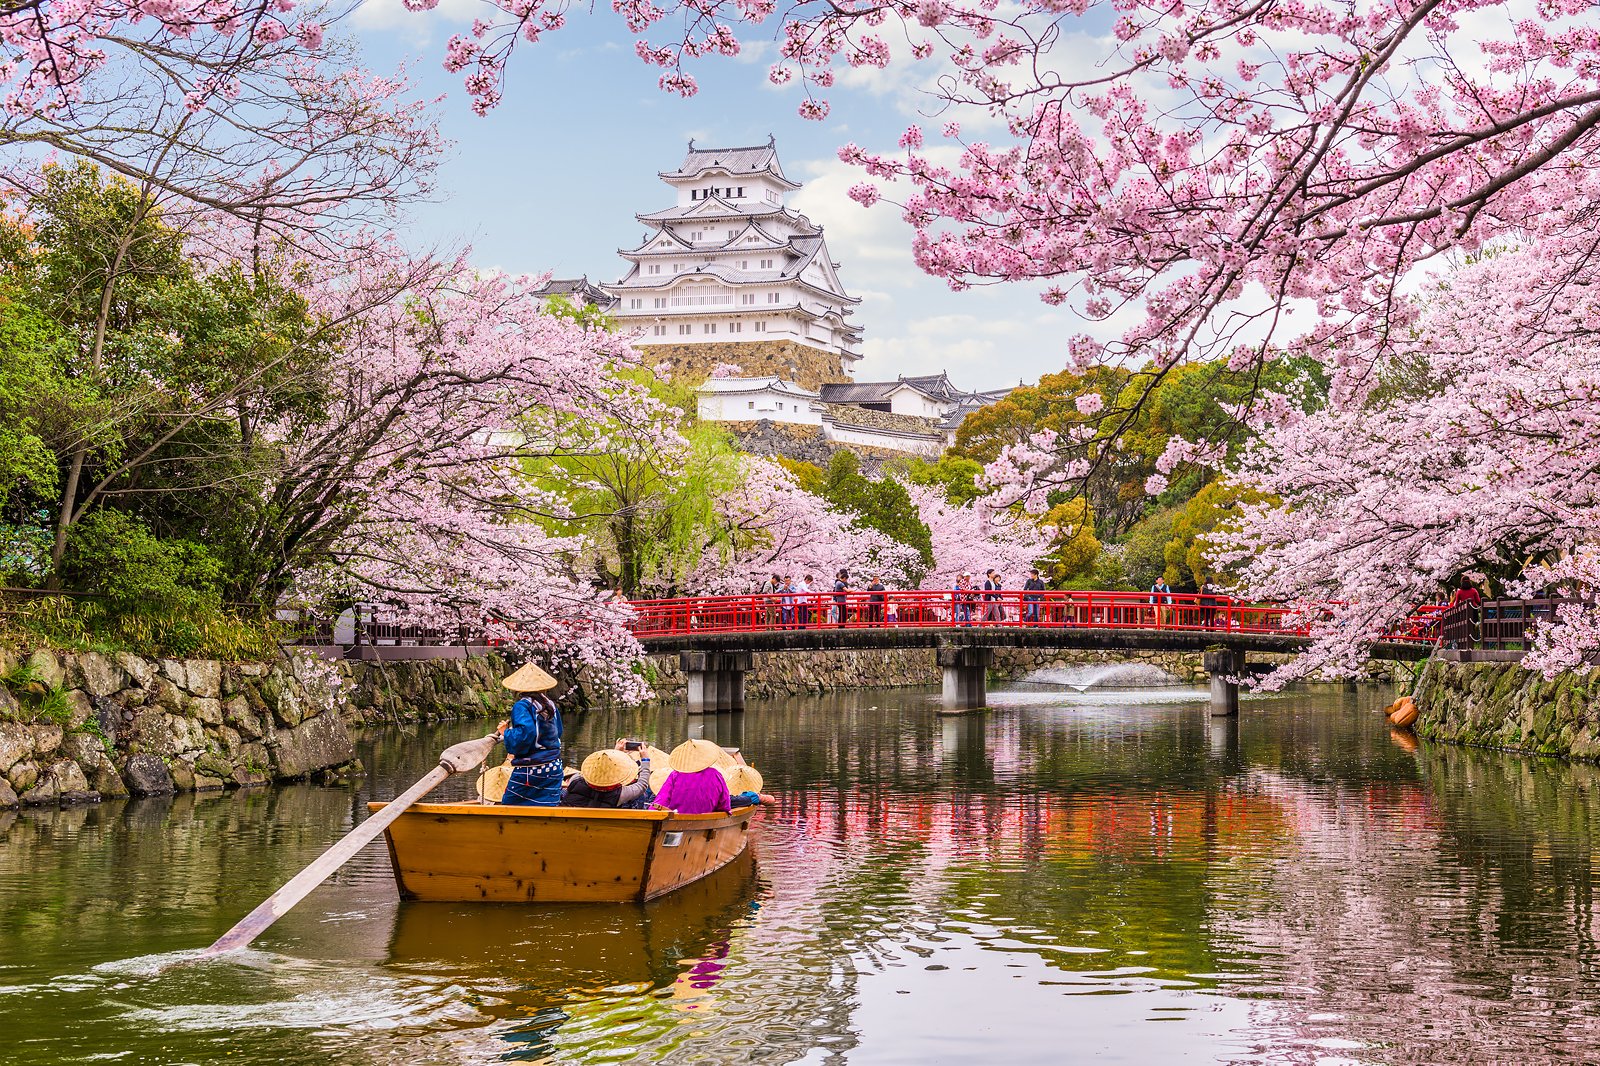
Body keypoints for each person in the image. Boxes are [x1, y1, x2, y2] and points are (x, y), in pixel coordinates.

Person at [495, 662, 564, 806]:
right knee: (548, 806)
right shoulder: (550, 704)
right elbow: (559, 732)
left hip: (531, 770)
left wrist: (505, 732)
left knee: (509, 805)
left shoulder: (522, 705)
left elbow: (524, 735)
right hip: (554, 766)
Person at [653, 739, 732, 815]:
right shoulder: (715, 774)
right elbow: (725, 805)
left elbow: (661, 801)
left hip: (677, 821)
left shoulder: (675, 775)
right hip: (707, 821)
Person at [562, 744, 653, 809]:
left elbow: (587, 774)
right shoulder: (620, 795)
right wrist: (645, 760)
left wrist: (615, 752)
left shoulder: (575, 780)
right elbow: (642, 785)